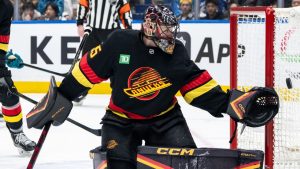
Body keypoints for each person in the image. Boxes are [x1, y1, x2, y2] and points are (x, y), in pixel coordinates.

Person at [28, 5, 279, 169]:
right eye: (166, 29)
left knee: (186, 163)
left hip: (165, 119)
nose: (171, 34)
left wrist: (231, 103)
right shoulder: (119, 42)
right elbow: (87, 71)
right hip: (120, 120)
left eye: (172, 29)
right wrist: (63, 95)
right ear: (150, 27)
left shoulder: (177, 52)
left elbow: (196, 86)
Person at [74, 0, 132, 103]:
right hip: (92, 30)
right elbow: (83, 4)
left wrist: (129, 28)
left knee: (116, 63)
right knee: (85, 61)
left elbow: (125, 10)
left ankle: (117, 94)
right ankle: (81, 91)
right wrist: (79, 23)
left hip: (112, 31)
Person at [0, 0, 36, 155]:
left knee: (8, 93)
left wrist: (2, 57)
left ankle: (17, 134)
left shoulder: (5, 7)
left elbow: (2, 38)